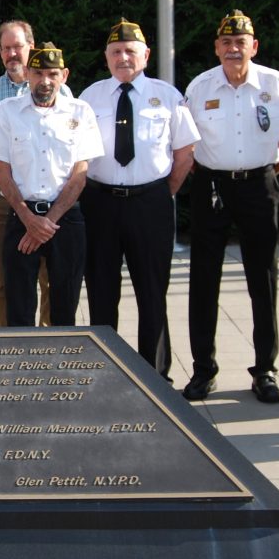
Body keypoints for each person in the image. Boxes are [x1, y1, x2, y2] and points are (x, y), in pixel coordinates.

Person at [182, 10, 279, 402]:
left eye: (241, 42)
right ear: (217, 48)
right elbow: (187, 146)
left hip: (258, 186)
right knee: (203, 280)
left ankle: (265, 369)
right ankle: (203, 370)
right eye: (227, 43)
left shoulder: (274, 84)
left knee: (262, 281)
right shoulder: (200, 86)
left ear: (255, 46)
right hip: (211, 187)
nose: (234, 49)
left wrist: (259, 174)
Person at [79, 19, 198, 380]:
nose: (123, 57)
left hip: (151, 203)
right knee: (101, 290)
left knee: (152, 290)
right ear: (106, 57)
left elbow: (185, 152)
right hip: (100, 203)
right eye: (116, 52)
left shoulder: (168, 95)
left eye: (131, 51)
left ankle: (155, 372)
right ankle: (107, 371)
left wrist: (164, 192)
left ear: (146, 55)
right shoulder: (90, 97)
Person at [0, 42, 103, 327]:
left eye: (52, 74)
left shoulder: (81, 112)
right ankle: (20, 368)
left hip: (65, 221)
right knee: (18, 308)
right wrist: (28, 219)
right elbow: (1, 171)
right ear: (27, 73)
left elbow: (80, 174)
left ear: (65, 75)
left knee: (64, 307)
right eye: (37, 73)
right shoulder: (7, 111)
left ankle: (59, 370)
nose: (44, 81)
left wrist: (46, 223)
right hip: (21, 216)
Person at [0, 19, 62, 326]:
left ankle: (48, 344)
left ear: (31, 47)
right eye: (6, 48)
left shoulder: (62, 91)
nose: (12, 54)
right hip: (3, 201)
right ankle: (10, 341)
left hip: (49, 198)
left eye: (17, 47)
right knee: (4, 280)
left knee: (50, 281)